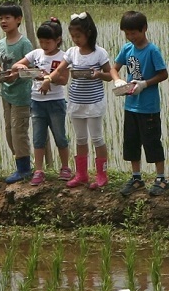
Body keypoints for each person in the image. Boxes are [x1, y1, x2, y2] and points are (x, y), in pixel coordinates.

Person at [46, 12, 111, 189]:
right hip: (76, 101)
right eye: (72, 36)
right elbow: (59, 70)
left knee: (97, 138)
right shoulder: (71, 53)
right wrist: (48, 79)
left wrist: (98, 74)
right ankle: (81, 174)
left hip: (94, 102)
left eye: (78, 36)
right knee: (80, 139)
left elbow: (109, 75)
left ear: (88, 34)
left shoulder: (99, 53)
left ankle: (101, 175)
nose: (75, 40)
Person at [111, 11, 168, 197]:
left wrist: (144, 84)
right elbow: (114, 68)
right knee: (131, 142)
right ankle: (136, 178)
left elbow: (163, 74)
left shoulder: (152, 50)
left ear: (144, 29)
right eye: (127, 33)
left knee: (152, 142)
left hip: (148, 107)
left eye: (134, 33)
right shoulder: (127, 49)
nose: (131, 37)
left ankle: (161, 178)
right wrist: (118, 81)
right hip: (131, 105)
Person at [12, 17, 71, 186]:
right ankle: (39, 170)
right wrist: (23, 67)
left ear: (57, 40)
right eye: (42, 42)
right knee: (38, 138)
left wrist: (47, 78)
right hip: (36, 102)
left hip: (55, 102)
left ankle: (65, 167)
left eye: (48, 42)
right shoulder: (36, 54)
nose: (44, 45)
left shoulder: (63, 57)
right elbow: (17, 65)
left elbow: (64, 80)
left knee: (60, 136)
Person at [0, 2, 33, 183]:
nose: (3, 21)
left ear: (18, 20)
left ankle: (25, 169)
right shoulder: (1, 43)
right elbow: (3, 66)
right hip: (6, 93)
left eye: (7, 18)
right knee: (9, 131)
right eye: (1, 18)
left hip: (21, 95)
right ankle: (19, 165)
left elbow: (31, 69)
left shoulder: (25, 44)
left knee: (19, 132)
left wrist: (15, 74)